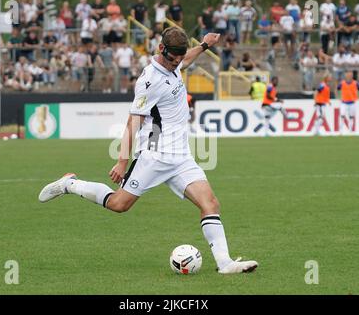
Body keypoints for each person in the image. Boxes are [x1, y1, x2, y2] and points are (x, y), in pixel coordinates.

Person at [38, 27, 258, 275]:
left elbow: (184, 61)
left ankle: (225, 264)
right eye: (173, 58)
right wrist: (122, 161)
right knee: (119, 205)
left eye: (179, 58)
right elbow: (133, 121)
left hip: (181, 156)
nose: (177, 63)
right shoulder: (148, 81)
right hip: (154, 154)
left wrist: (205, 45)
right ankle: (71, 184)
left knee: (211, 204)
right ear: (162, 50)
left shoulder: (175, 62)